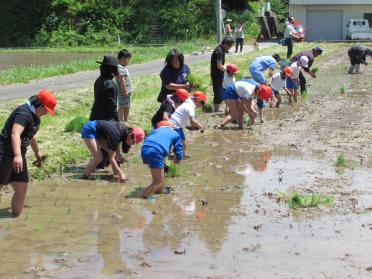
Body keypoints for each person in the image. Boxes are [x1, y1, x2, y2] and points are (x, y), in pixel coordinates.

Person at [0, 90, 57, 217]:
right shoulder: (23, 114)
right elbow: (15, 133)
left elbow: (31, 136)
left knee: (22, 187)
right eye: (46, 110)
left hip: (18, 154)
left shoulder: (36, 118)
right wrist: (17, 155)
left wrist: (37, 153)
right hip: (5, 152)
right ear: (40, 105)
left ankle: (15, 220)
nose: (46, 113)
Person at [141, 121, 183, 199]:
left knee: (159, 178)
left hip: (144, 150)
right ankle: (143, 197)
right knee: (158, 183)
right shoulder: (174, 133)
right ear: (171, 127)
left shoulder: (155, 131)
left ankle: (159, 191)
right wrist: (176, 163)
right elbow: (179, 153)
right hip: (156, 151)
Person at [90, 56, 120, 122]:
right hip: (105, 120)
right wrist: (118, 122)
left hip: (94, 116)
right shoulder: (110, 84)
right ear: (112, 70)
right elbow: (112, 107)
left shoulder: (99, 80)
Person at [210, 36, 234, 112]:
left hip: (218, 73)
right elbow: (219, 65)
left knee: (219, 90)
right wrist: (228, 72)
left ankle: (217, 107)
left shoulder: (221, 49)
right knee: (217, 90)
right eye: (230, 46)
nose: (229, 48)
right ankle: (216, 109)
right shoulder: (219, 51)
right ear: (226, 44)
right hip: (216, 74)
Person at [116, 49, 133, 122]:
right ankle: (121, 121)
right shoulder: (119, 68)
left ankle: (125, 120)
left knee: (127, 105)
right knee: (122, 106)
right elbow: (122, 81)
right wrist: (125, 91)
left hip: (127, 91)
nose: (128, 61)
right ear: (123, 58)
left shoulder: (123, 67)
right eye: (128, 59)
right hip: (123, 92)